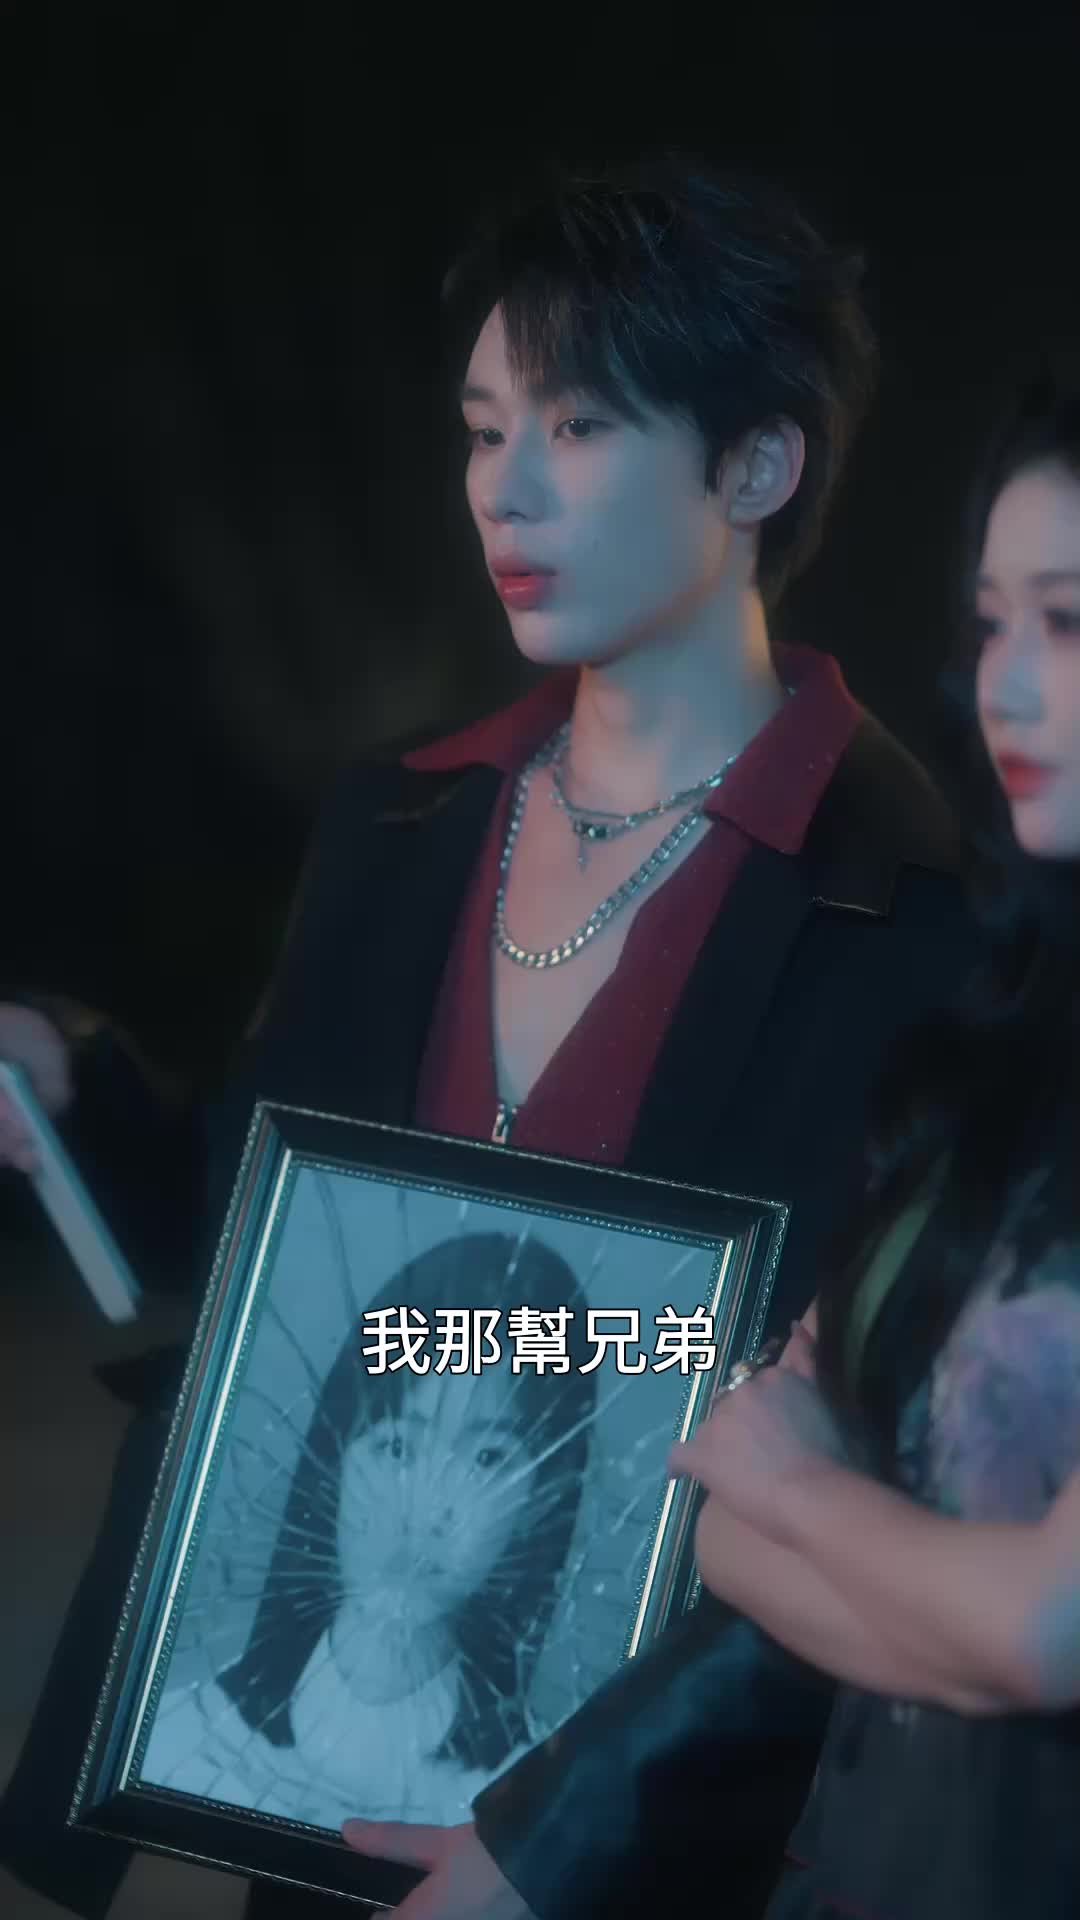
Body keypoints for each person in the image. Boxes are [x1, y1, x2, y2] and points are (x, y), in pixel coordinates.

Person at [0, 153, 980, 1920]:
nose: (502, 491)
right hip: (320, 1812)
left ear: (757, 466)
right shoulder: (401, 827)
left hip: (669, 1846)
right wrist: (74, 1101)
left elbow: (886, 1461)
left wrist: (569, 1836)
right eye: (480, 430)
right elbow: (278, 1249)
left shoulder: (908, 911)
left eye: (578, 427)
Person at [654, 367, 1080, 1918]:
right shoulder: (1000, 1047)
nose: (1004, 687)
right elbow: (723, 1533)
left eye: (1067, 623)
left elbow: (1047, 1627)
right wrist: (954, 1621)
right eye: (992, 623)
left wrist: (818, 1500)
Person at [141, 1231, 595, 1830]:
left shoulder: (532, 1809)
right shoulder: (173, 1740)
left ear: (541, 1504)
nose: (423, 1510)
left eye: (487, 1459)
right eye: (397, 1447)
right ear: (335, 1459)